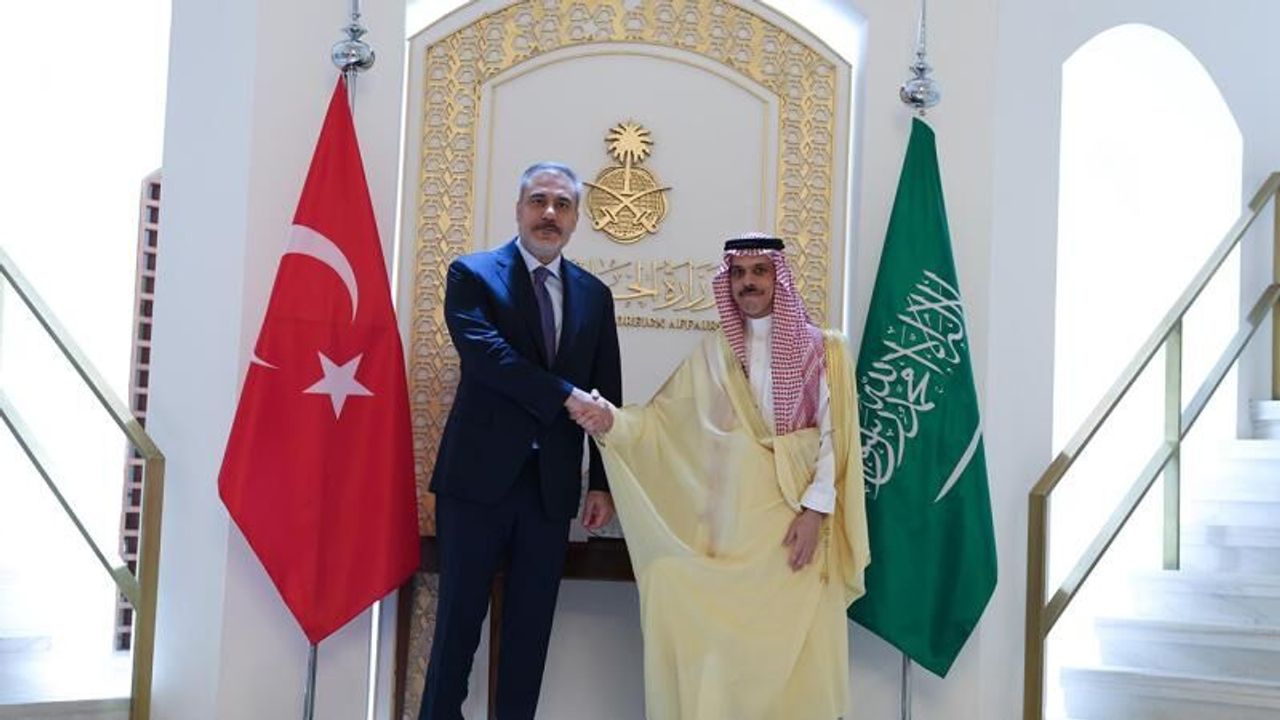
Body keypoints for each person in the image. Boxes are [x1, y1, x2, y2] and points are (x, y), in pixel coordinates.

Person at [582, 233, 870, 720]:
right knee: (680, 597)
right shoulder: (715, 353)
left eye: (759, 271)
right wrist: (612, 421)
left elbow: (834, 439)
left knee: (788, 663)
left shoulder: (824, 350)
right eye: (738, 273)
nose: (747, 282)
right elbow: (662, 424)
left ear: (779, 277)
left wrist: (815, 512)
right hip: (732, 530)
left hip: (792, 529)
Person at [420, 162, 621, 720]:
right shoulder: (472, 274)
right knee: (457, 630)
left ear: (576, 218)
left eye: (562, 204)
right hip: (475, 485)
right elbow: (489, 359)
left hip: (550, 491)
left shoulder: (595, 295)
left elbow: (606, 392)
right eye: (538, 201)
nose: (549, 213)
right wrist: (564, 395)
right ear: (518, 209)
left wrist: (602, 483)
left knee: (529, 638)